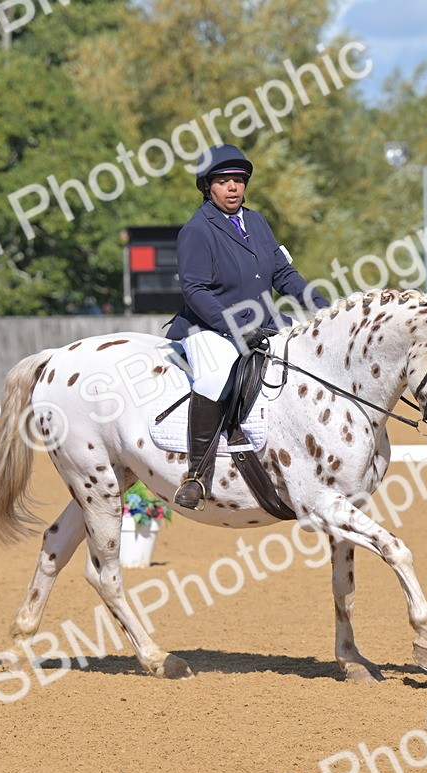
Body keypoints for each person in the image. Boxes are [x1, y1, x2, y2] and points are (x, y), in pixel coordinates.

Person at [165, 143, 330, 510]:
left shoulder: (256, 222)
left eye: (238, 180)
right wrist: (237, 327)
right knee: (215, 376)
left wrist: (323, 307)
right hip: (209, 327)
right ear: (208, 186)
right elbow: (195, 290)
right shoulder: (196, 230)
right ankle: (197, 475)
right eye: (223, 181)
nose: (233, 187)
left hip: (265, 322)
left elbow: (283, 273)